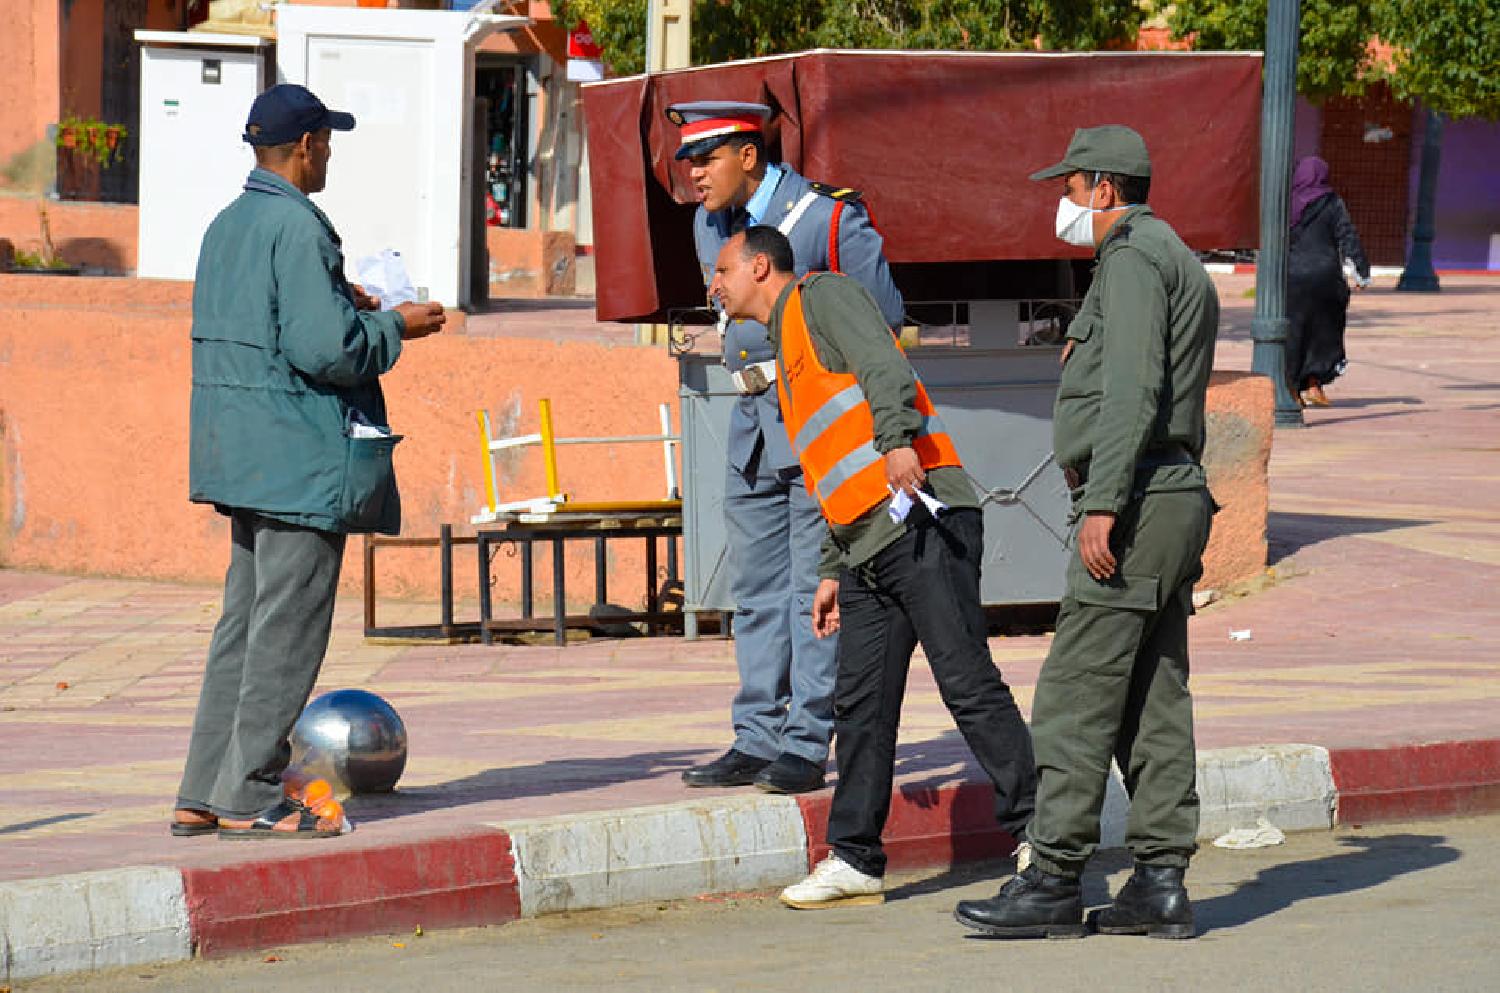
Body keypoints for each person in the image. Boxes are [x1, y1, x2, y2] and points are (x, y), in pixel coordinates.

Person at [709, 225, 1036, 909]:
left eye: (722, 269)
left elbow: (884, 369)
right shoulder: (786, 343)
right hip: (867, 543)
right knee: (860, 705)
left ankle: (1042, 831)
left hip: (921, 515)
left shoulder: (822, 297)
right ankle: (855, 855)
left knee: (966, 682)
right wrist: (832, 565)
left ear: (759, 266)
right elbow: (834, 469)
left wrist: (896, 441)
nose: (714, 284)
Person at [954, 126, 1218, 939]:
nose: (1061, 204)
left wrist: (1103, 500)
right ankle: (1160, 882)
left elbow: (1134, 387)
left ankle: (1054, 877)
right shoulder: (1172, 253)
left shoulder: (1133, 257)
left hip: (1135, 498)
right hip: (1168, 492)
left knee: (1073, 692)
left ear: (1103, 188)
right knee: (1150, 692)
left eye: (1069, 188)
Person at [171, 84, 446, 839]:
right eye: (326, 142)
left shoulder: (228, 224)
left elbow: (274, 327)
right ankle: (254, 786)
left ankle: (203, 787)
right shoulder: (298, 227)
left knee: (244, 626)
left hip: (243, 454)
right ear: (305, 147)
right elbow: (327, 350)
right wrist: (396, 324)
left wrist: (343, 302)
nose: (328, 154)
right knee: (285, 633)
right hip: (298, 461)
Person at [667, 101, 905, 795]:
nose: (696, 177)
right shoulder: (707, 225)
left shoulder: (827, 218)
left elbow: (884, 319)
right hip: (750, 428)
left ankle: (806, 740)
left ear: (749, 154)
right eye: (689, 163)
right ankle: (756, 736)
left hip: (817, 432)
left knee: (814, 589)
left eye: (706, 160)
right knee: (757, 592)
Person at [1286, 156, 1369, 407]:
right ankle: (1314, 384)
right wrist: (1360, 272)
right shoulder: (1332, 202)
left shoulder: (1287, 203)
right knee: (1324, 331)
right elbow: (1347, 235)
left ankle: (1290, 388)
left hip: (1293, 278)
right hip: (1326, 278)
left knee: (1294, 332)